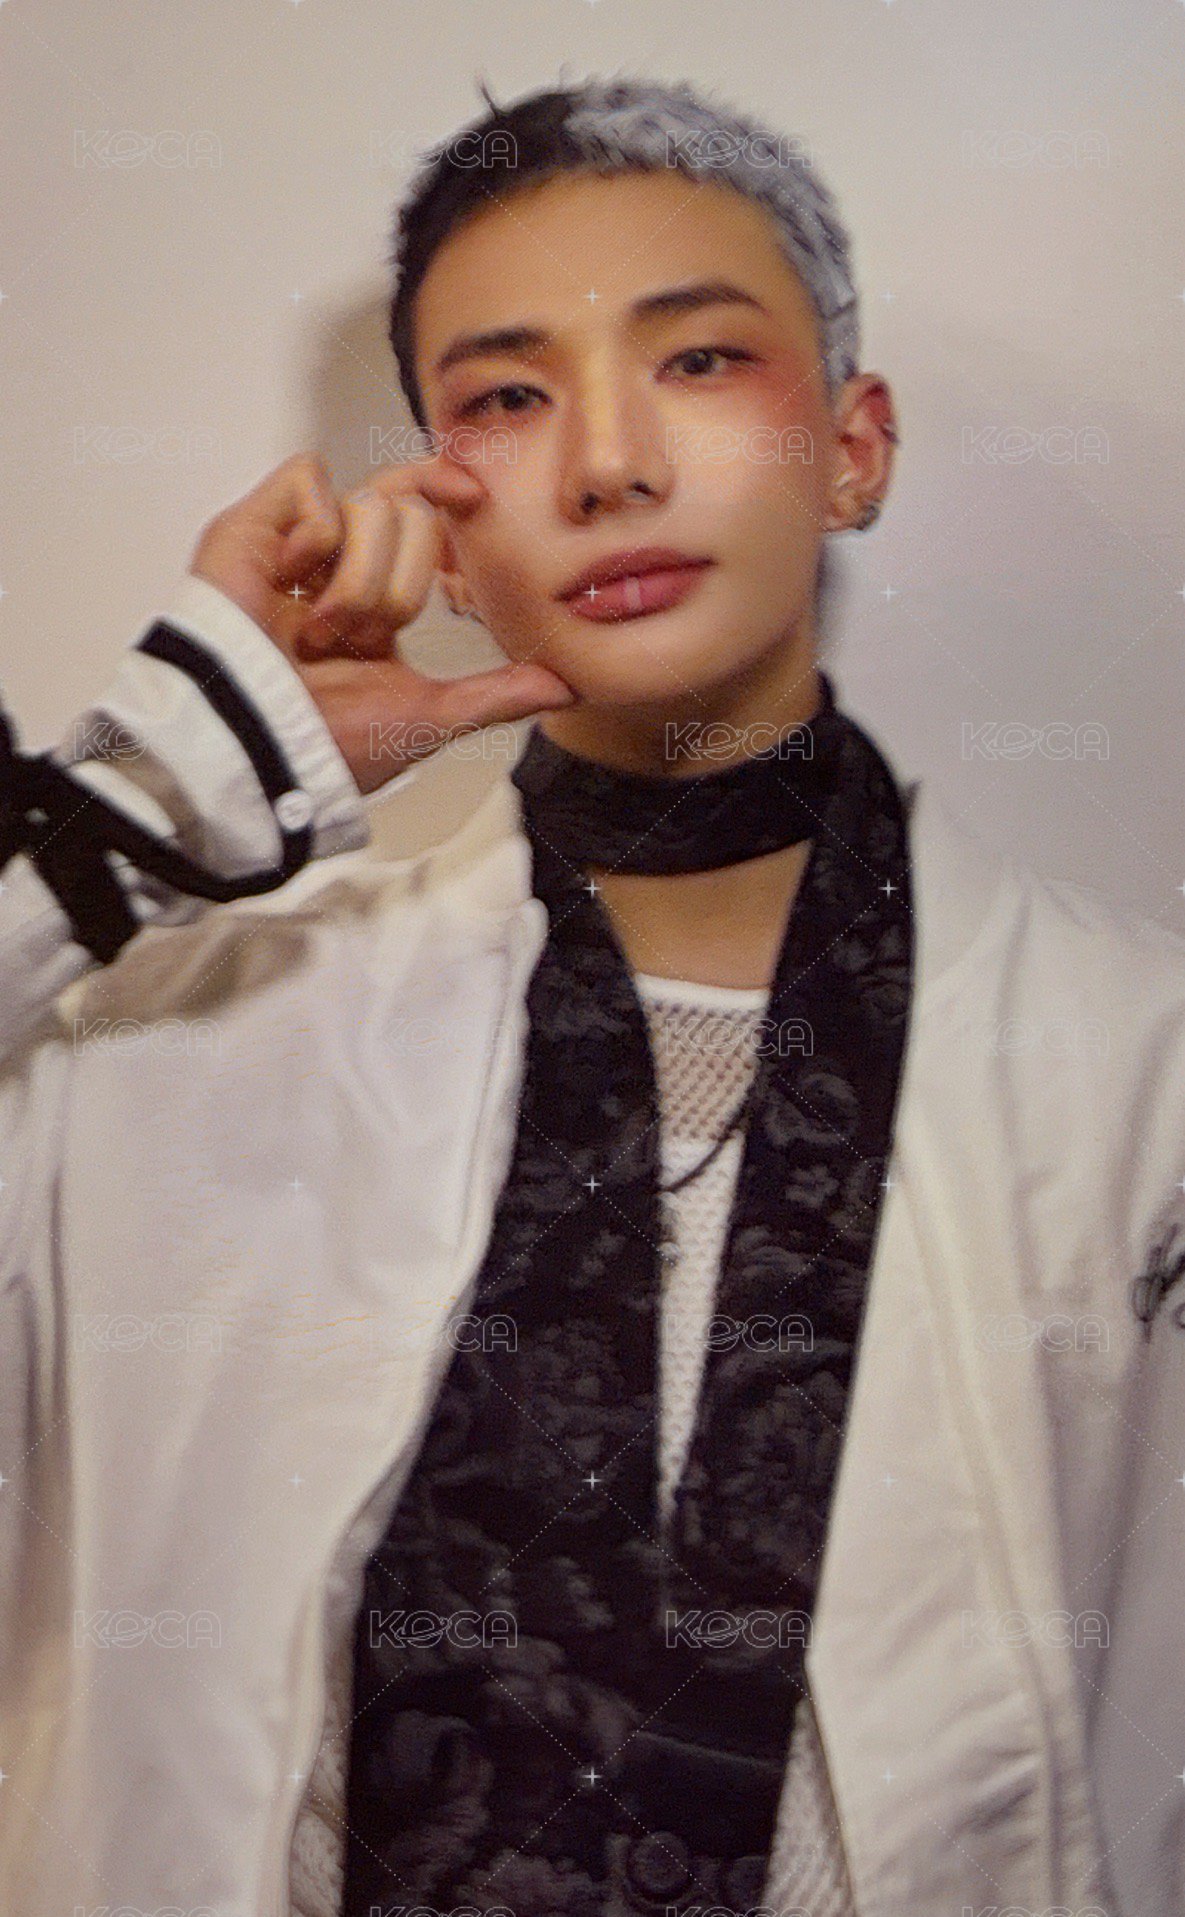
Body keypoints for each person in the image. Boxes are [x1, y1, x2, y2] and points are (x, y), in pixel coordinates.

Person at [1, 71, 1183, 1917]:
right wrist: (172, 789)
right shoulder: (168, 1022)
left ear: (854, 447)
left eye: (698, 360)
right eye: (506, 396)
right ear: (446, 527)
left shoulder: (1133, 1062)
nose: (608, 462)